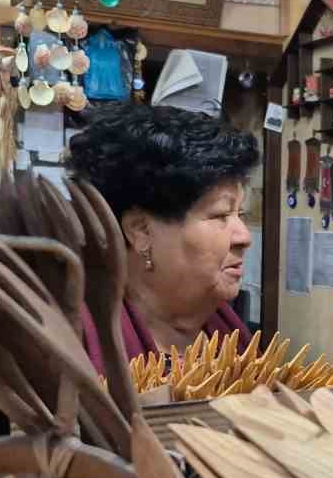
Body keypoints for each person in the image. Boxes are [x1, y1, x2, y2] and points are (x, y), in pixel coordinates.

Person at [68, 101, 257, 367]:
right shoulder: (80, 348)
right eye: (220, 215)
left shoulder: (232, 338)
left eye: (241, 214)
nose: (244, 237)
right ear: (141, 231)